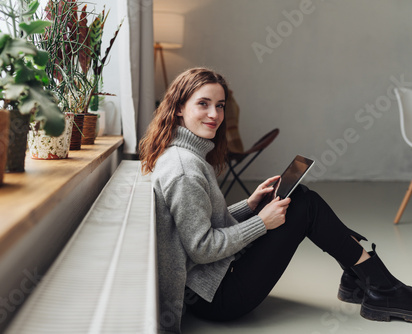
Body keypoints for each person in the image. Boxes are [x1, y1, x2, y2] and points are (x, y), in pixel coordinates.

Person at [139, 67, 412, 333]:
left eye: (220, 105)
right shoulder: (185, 169)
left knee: (300, 198)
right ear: (178, 107)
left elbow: (202, 221)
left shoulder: (187, 154)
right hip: (217, 298)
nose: (215, 114)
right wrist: (261, 223)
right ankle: (378, 286)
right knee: (304, 205)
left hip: (207, 284)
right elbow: (201, 247)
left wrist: (250, 205)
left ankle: (364, 279)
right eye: (203, 104)